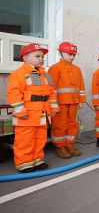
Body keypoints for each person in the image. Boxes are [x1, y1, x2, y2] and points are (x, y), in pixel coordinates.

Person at [7, 43, 59, 173]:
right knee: (25, 140)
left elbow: (51, 93)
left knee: (40, 139)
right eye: (38, 56)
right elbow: (14, 94)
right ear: (26, 58)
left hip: (42, 115)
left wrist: (53, 109)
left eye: (42, 56)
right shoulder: (19, 74)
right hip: (26, 116)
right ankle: (24, 163)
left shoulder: (45, 75)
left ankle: (37, 160)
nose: (42, 59)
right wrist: (20, 112)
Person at [49, 42, 86, 159]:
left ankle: (69, 145)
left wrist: (81, 100)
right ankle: (60, 147)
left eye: (74, 54)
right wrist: (53, 104)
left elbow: (81, 86)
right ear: (60, 53)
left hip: (74, 102)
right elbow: (51, 88)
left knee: (72, 124)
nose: (72, 57)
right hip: (60, 103)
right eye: (70, 54)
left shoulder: (77, 69)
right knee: (60, 125)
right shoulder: (55, 68)